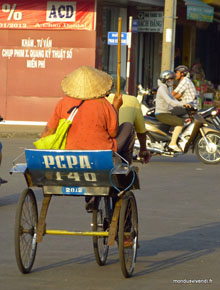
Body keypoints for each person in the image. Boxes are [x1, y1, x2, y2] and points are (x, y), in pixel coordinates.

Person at [39, 66, 135, 210]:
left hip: (69, 158)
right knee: (127, 126)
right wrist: (116, 108)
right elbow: (113, 133)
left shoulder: (63, 103)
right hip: (100, 156)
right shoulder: (104, 104)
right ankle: (123, 170)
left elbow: (48, 132)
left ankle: (93, 195)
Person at [107, 77, 151, 163]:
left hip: (99, 146)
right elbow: (141, 131)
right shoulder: (133, 100)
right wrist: (143, 150)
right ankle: (126, 164)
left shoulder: (101, 99)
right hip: (113, 146)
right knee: (128, 127)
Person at [155, 70, 191, 152]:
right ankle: (173, 143)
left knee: (182, 116)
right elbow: (170, 101)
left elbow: (173, 99)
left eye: (172, 79)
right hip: (161, 113)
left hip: (167, 112)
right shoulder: (162, 89)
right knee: (180, 122)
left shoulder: (165, 88)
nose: (171, 81)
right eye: (170, 79)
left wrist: (184, 103)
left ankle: (173, 137)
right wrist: (182, 104)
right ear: (165, 80)